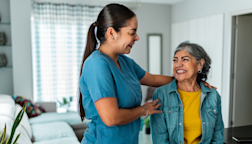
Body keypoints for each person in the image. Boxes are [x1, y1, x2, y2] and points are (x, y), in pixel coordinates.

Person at [79, 4, 214, 144]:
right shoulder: (97, 65)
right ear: (111, 33)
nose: (137, 38)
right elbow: (111, 118)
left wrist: (190, 80)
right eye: (132, 32)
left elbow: (154, 79)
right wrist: (144, 109)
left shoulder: (125, 62)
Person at [151, 41, 224, 144]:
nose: (178, 64)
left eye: (185, 59)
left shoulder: (213, 96)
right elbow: (160, 140)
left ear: (200, 64)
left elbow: (218, 138)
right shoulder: (161, 95)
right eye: (175, 60)